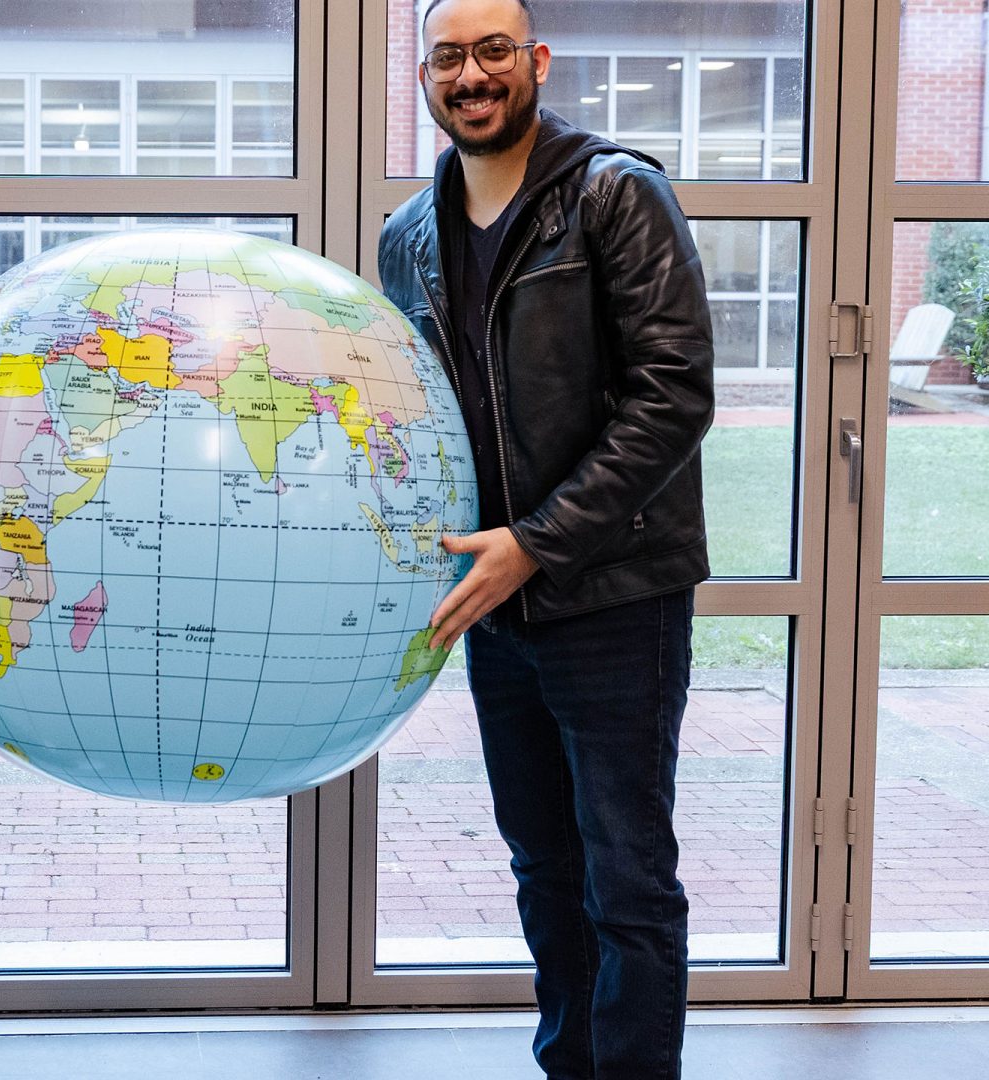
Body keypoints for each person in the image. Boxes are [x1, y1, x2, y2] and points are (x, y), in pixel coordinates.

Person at [377, 2, 714, 1077]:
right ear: (423, 76)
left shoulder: (617, 193)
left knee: (628, 880)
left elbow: (673, 396)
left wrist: (539, 539)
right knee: (543, 867)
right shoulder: (407, 238)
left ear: (536, 62)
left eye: (493, 53)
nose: (471, 76)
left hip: (615, 594)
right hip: (497, 606)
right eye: (448, 58)